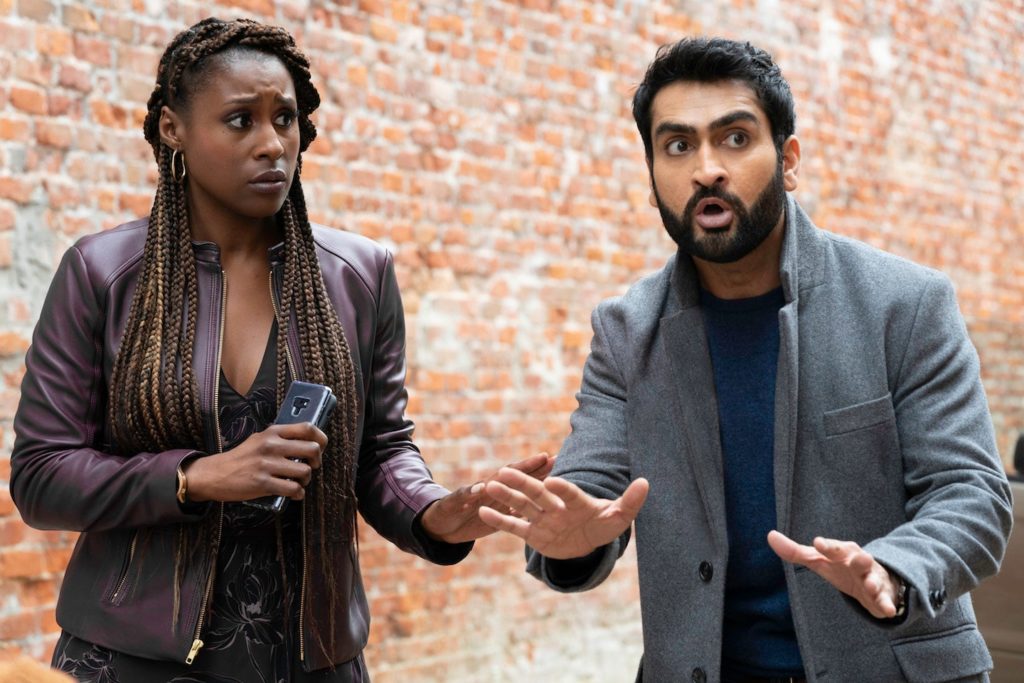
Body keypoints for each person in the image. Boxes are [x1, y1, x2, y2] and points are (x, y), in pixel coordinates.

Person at [10, 17, 551, 682]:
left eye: (286, 119)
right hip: (130, 658)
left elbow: (382, 449)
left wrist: (435, 512)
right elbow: (42, 474)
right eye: (240, 120)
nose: (272, 144)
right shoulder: (104, 273)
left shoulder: (358, 275)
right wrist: (195, 476)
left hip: (311, 660)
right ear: (172, 129)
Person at [479, 37, 1013, 682]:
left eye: (734, 138)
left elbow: (971, 494)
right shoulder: (625, 331)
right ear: (652, 179)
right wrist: (572, 543)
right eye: (678, 146)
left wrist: (895, 569)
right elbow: (592, 490)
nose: (707, 169)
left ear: (788, 160)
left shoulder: (904, 304)